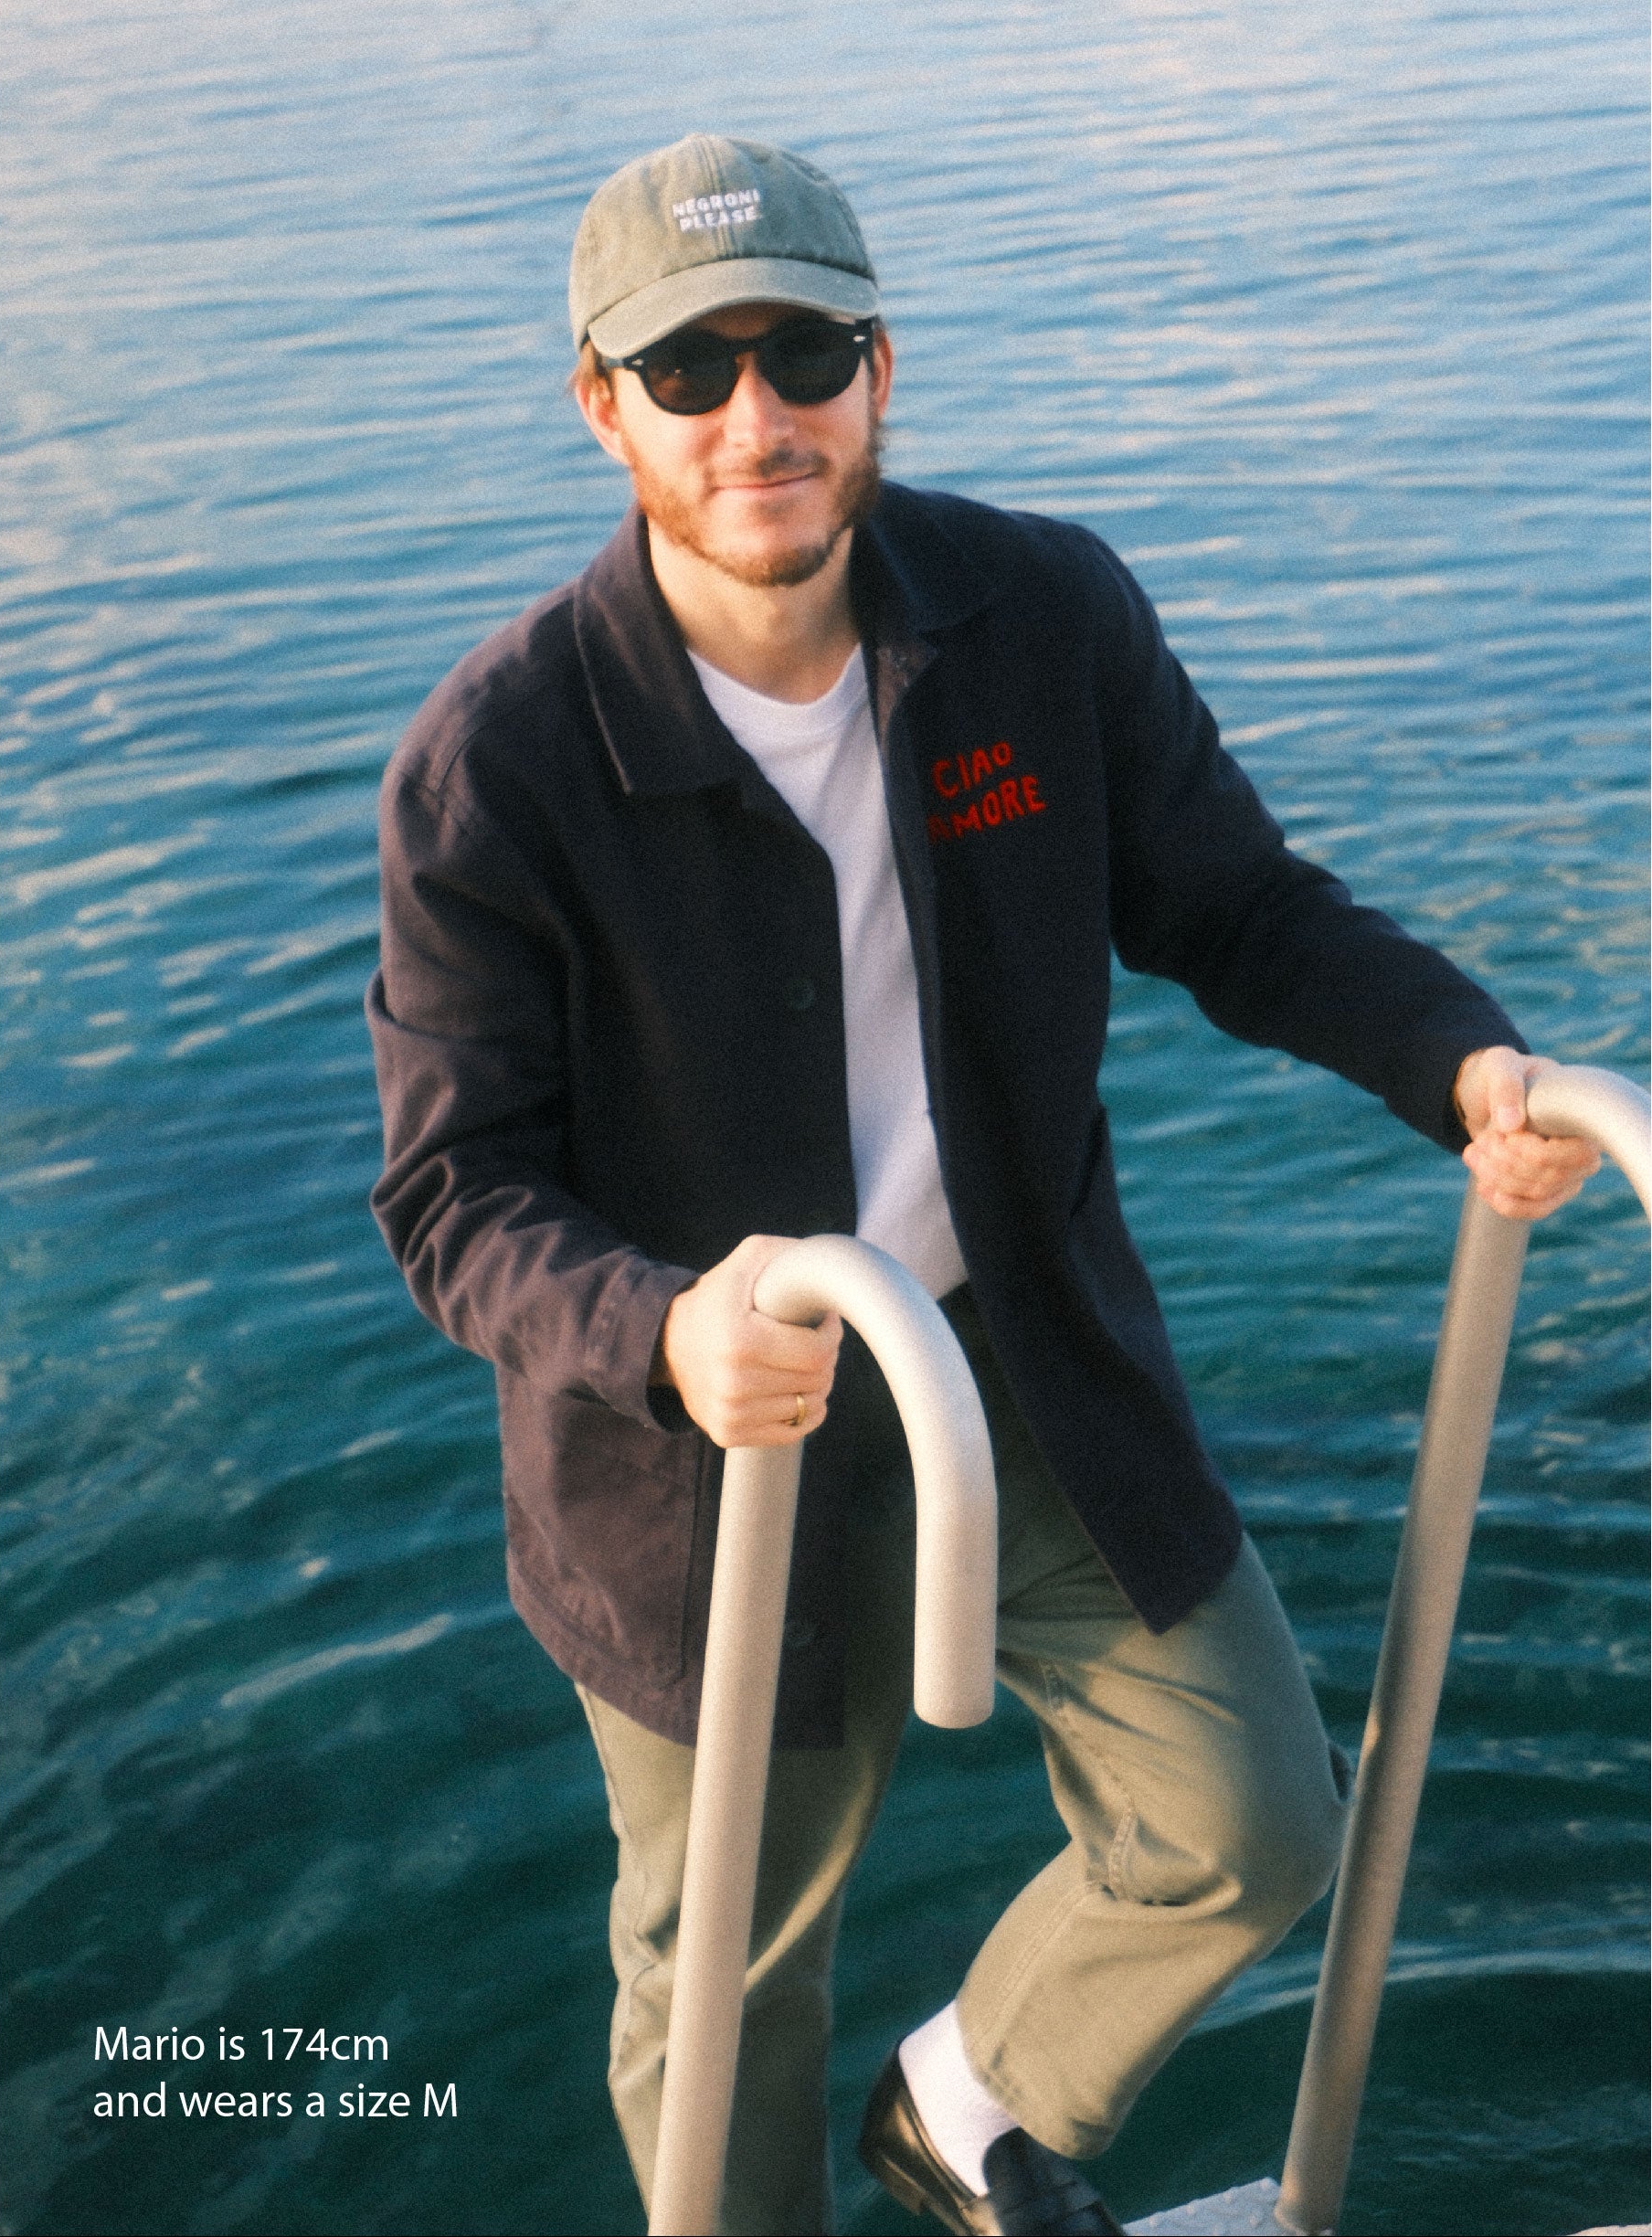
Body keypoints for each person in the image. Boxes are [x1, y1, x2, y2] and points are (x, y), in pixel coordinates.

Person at [365, 134, 1597, 2237]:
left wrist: (1464, 1061)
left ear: (880, 369)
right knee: (727, 1979)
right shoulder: (497, 764)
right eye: (689, 371)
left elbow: (1237, 906)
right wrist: (665, 1329)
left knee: (1252, 1816)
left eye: (804, 353)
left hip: (1019, 1367)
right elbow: (453, 1192)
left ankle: (970, 2099)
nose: (756, 416)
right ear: (602, 407)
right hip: (704, 1460)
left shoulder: (1041, 617)